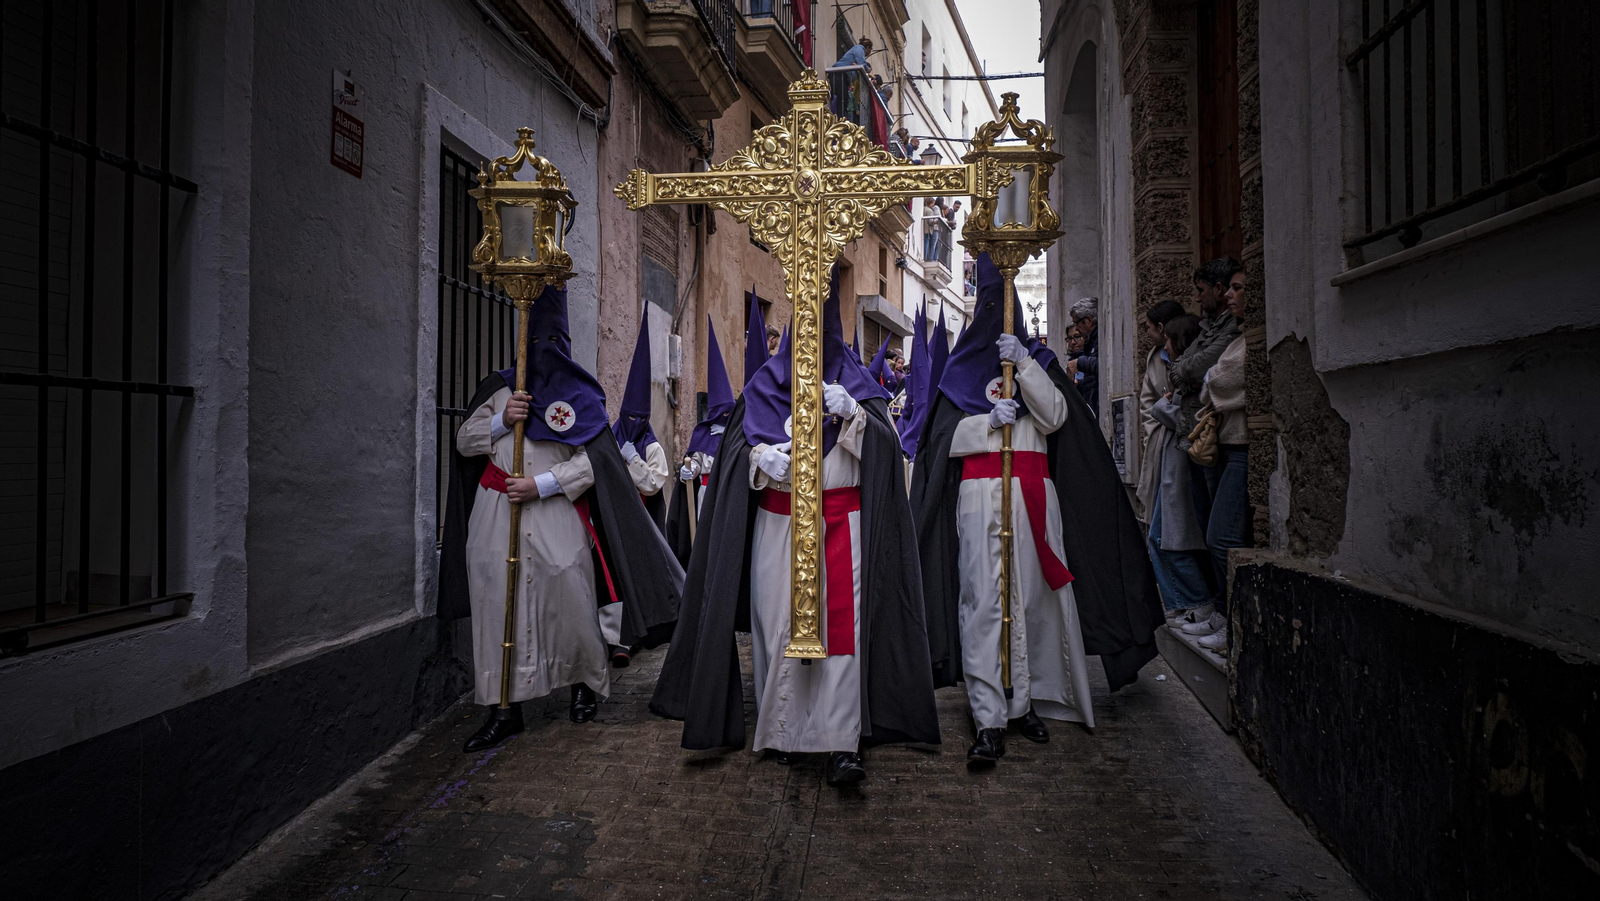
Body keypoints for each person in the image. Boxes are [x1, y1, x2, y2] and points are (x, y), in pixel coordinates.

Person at [650, 266, 939, 787]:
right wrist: (762, 461)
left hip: (841, 526)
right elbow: (735, 457)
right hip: (777, 529)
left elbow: (888, 461)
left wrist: (853, 416)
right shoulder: (763, 389)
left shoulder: (862, 391)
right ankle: (781, 729)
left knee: (840, 635)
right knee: (777, 627)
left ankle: (840, 741)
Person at [912, 254, 1163, 766]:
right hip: (980, 497)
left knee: (1030, 601)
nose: (993, 316)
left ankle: (1024, 700)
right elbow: (938, 445)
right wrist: (986, 424)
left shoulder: (1039, 363)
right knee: (983, 602)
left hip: (1035, 498)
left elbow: (1054, 417)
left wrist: (1024, 363)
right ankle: (988, 716)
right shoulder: (958, 373)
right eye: (986, 304)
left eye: (1001, 305)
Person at [437, 283, 682, 750]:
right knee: (498, 605)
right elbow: (464, 442)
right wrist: (500, 419)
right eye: (536, 342)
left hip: (555, 512)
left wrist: (541, 484)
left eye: (553, 342)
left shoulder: (580, 396)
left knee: (569, 598)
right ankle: (502, 709)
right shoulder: (499, 389)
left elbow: (596, 463)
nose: (544, 352)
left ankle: (583, 685)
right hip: (496, 514)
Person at [1185, 269, 1251, 651]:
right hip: (1224, 443)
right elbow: (1204, 374)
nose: (1230, 295)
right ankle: (1224, 614)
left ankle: (1234, 621)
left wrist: (1208, 377)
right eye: (1230, 288)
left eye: (1238, 289)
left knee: (1222, 535)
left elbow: (1218, 380)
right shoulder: (1233, 336)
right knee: (1216, 531)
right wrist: (1208, 376)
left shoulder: (1242, 340)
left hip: (1240, 446)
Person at [1145, 315, 1217, 629]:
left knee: (1174, 539)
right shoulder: (1180, 379)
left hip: (1183, 472)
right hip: (1172, 471)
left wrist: (1163, 408)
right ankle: (1187, 603)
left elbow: (1183, 419)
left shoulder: (1191, 382)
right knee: (1163, 538)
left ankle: (1199, 603)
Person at [668, 318, 735, 567]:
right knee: (704, 541)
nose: (725, 418)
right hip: (705, 493)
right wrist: (690, 470)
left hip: (726, 492)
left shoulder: (736, 435)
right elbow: (696, 459)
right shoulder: (704, 433)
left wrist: (728, 439)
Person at [1134, 299, 1187, 525]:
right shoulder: (1154, 356)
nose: (1146, 332)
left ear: (1162, 328)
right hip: (1159, 436)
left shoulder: (1187, 352)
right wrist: (1152, 433)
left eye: (1149, 326)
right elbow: (1147, 400)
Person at [1065, 298, 1099, 416]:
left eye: (1077, 323)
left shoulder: (1100, 338)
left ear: (1088, 320)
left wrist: (1080, 363)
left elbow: (1105, 366)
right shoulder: (1091, 342)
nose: (1077, 328)